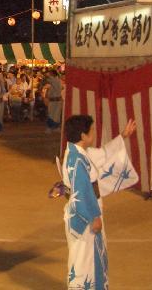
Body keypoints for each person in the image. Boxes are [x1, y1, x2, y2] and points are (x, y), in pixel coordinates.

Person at [61, 115, 138, 290]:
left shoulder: (78, 154)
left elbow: (103, 153)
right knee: (83, 263)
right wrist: (93, 216)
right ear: (83, 135)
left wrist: (123, 135)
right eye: (92, 130)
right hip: (84, 218)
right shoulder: (77, 159)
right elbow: (82, 192)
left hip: (82, 214)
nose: (94, 133)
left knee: (88, 260)